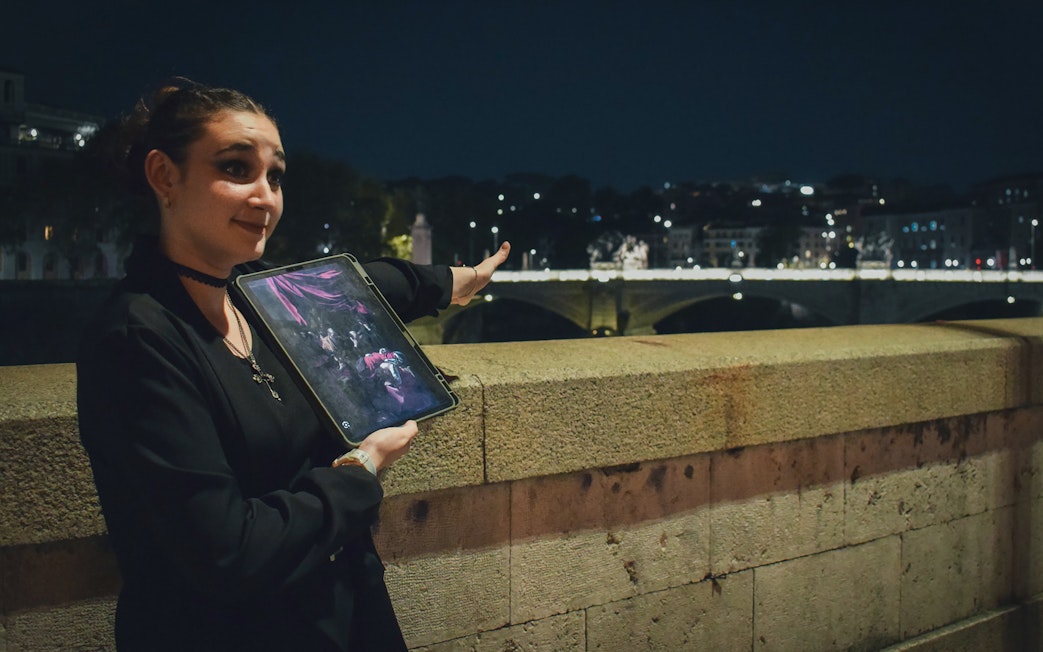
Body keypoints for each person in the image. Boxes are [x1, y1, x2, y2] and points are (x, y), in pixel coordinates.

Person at [76, 79, 510, 651]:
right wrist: (361, 469)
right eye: (236, 168)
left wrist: (453, 281)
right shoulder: (136, 339)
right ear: (164, 176)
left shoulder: (256, 295)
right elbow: (230, 553)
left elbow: (363, 285)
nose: (266, 197)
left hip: (338, 614)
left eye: (275, 176)